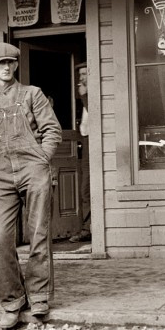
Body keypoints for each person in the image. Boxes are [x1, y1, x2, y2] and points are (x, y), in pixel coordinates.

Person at [0, 43, 62, 330]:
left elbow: (52, 130)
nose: (6, 67)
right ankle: (12, 302)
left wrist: (41, 159)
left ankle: (38, 298)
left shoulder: (32, 94)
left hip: (32, 170)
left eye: (10, 62)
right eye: (1, 63)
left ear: (16, 65)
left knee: (38, 234)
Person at [70, 62, 91, 243]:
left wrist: (84, 96)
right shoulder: (83, 96)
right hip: (84, 143)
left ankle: (88, 229)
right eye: (80, 75)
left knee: (87, 189)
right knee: (84, 189)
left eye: (85, 74)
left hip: (93, 144)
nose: (81, 78)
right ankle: (87, 227)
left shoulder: (91, 96)